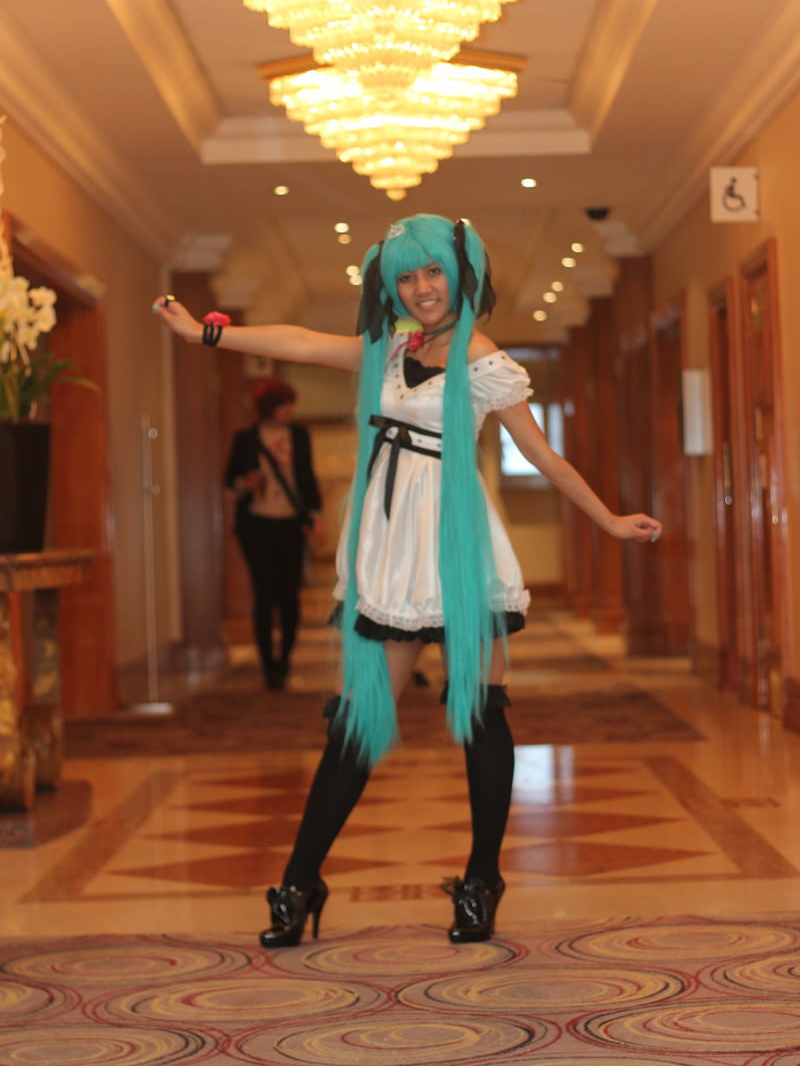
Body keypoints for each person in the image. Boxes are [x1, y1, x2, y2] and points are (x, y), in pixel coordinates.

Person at [153, 213, 662, 947]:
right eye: (406, 276)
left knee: (480, 714)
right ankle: (301, 880)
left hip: (458, 546)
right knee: (358, 721)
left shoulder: (484, 360)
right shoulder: (390, 348)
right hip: (392, 550)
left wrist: (609, 520)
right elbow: (301, 342)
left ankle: (481, 880)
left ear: (460, 275)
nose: (421, 288)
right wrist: (205, 334)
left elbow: (542, 455)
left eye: (433, 272)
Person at [224, 377, 322, 691]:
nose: (289, 410)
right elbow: (229, 481)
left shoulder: (299, 435)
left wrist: (315, 516)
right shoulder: (245, 438)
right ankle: (269, 667)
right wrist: (246, 483)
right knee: (264, 594)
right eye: (283, 404)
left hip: (291, 522)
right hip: (256, 524)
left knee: (290, 596)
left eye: (290, 404)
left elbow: (307, 477)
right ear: (269, 407)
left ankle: (285, 660)